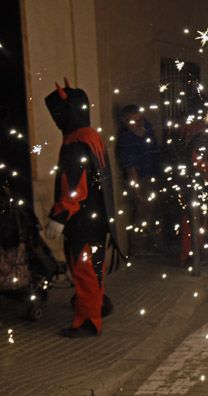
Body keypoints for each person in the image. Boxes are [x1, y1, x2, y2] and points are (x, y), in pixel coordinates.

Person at [43, 79, 121, 338]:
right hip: (96, 219)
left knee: (85, 270)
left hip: (82, 220)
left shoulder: (77, 141)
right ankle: (96, 305)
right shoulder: (91, 135)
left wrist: (61, 214)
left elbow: (75, 184)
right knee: (92, 269)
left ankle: (88, 320)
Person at [115, 104, 161, 255]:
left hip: (152, 174)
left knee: (152, 212)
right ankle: (138, 248)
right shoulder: (126, 138)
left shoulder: (146, 126)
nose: (137, 122)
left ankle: (150, 245)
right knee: (142, 212)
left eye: (138, 118)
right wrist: (136, 190)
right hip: (141, 178)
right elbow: (131, 168)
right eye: (133, 121)